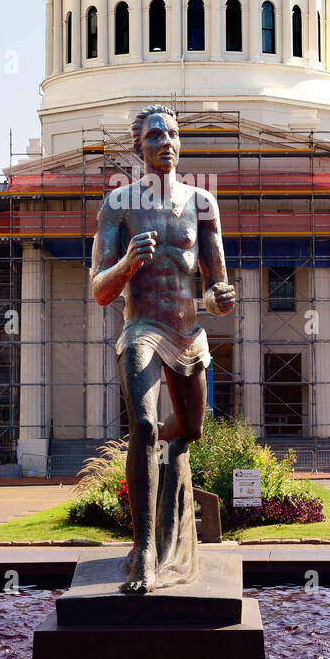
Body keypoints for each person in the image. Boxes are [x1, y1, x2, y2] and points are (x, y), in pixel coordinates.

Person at [91, 105, 235, 592]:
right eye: (156, 135)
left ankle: (167, 507)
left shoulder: (202, 203)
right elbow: (100, 289)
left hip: (188, 333)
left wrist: (221, 298)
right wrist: (129, 264)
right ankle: (147, 551)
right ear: (139, 147)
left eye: (173, 133)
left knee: (187, 433)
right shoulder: (119, 204)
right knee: (146, 425)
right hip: (143, 329)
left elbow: (217, 286)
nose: (166, 142)